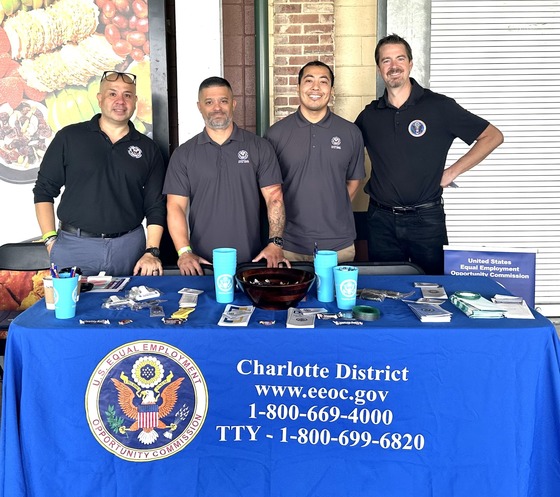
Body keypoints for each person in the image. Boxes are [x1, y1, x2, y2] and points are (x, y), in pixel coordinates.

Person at [355, 34, 504, 274]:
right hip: (380, 221)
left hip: (426, 220)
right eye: (386, 60)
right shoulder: (370, 115)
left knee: (433, 290)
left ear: (411, 64)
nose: (394, 66)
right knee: (384, 290)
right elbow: (343, 151)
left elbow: (493, 136)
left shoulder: (439, 106)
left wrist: (452, 172)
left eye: (400, 59)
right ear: (378, 68)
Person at [33, 70, 166, 277]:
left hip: (129, 248)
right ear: (99, 98)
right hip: (74, 247)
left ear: (135, 101)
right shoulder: (69, 137)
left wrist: (151, 251)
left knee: (130, 307)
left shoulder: (148, 148)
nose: (120, 101)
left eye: (127, 95)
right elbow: (43, 191)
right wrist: (50, 240)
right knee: (72, 309)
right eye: (112, 94)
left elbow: (155, 205)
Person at [164, 76, 288, 275]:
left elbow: (274, 198)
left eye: (223, 101)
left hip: (252, 262)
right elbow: (175, 206)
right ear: (199, 107)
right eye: (209, 102)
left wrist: (275, 243)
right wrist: (184, 252)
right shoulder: (183, 154)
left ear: (234, 103)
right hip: (202, 265)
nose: (217, 108)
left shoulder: (259, 147)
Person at [265, 61, 365, 263]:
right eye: (308, 81)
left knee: (338, 295)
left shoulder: (350, 132)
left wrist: (332, 206)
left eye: (323, 81)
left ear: (332, 90)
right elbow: (270, 190)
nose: (315, 88)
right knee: (291, 296)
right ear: (298, 88)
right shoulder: (275, 134)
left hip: (339, 246)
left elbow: (354, 182)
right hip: (289, 246)